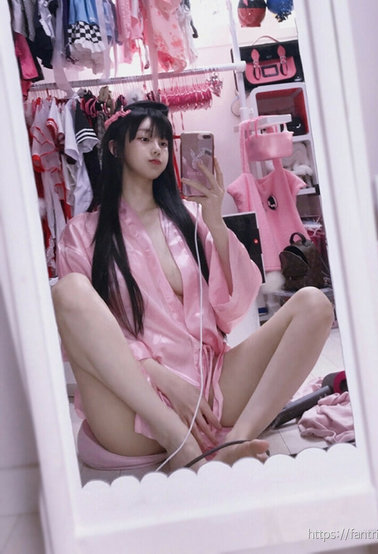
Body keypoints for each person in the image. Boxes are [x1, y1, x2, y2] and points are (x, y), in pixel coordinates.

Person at [52, 101, 334, 472]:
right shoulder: (81, 235)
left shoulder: (188, 218)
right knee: (68, 290)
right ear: (116, 147)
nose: (157, 149)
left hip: (211, 387)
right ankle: (179, 443)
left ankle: (237, 442)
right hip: (135, 407)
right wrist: (164, 380)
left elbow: (231, 309)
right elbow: (86, 340)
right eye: (145, 139)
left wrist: (215, 220)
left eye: (163, 142)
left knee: (314, 304)